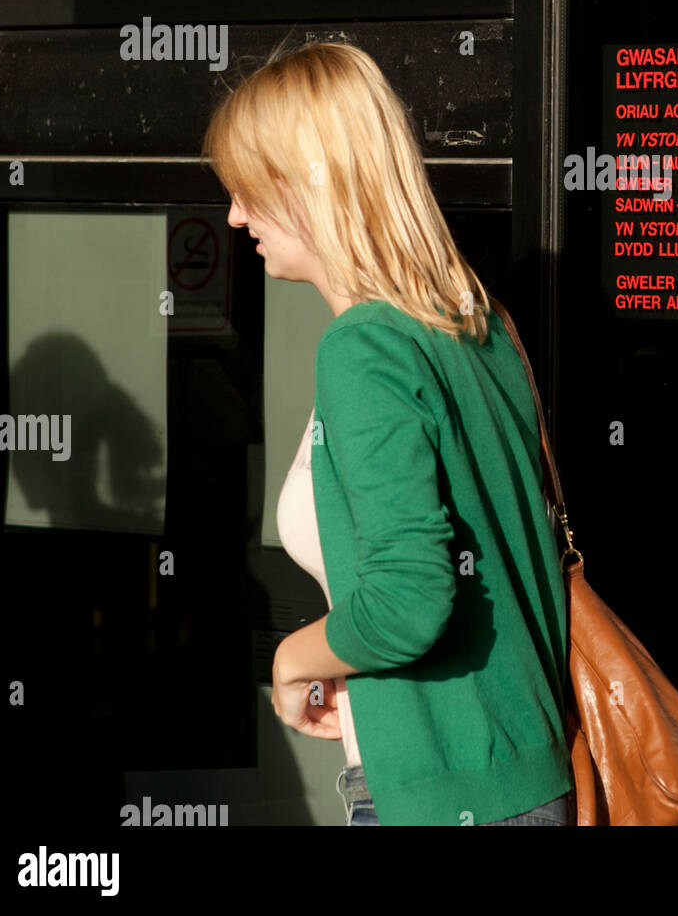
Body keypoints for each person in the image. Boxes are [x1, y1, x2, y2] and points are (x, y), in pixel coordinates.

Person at [201, 41, 575, 826]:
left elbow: (410, 601)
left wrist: (293, 659)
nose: (233, 215)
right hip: (519, 777)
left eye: (244, 187)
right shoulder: (476, 324)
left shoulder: (362, 348)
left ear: (309, 182)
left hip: (443, 799)